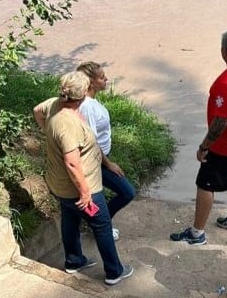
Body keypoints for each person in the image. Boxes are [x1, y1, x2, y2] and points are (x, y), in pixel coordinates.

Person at [32, 72, 133, 286]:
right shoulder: (68, 124)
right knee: (102, 226)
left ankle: (74, 261)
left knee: (70, 218)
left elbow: (36, 111)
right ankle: (114, 271)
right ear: (82, 96)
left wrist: (47, 133)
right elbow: (71, 162)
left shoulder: (53, 104)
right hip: (82, 189)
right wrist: (85, 192)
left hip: (60, 185)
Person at [170, 30, 227, 245]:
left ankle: (197, 233)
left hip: (225, 147)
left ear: (224, 51)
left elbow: (220, 123)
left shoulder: (225, 84)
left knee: (205, 185)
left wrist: (204, 146)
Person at [76, 61, 136, 241]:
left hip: (100, 158)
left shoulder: (91, 102)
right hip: (95, 161)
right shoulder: (86, 106)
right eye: (102, 77)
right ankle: (100, 224)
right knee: (127, 192)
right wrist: (108, 164)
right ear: (91, 82)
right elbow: (91, 141)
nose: (106, 79)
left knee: (99, 196)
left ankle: (98, 223)